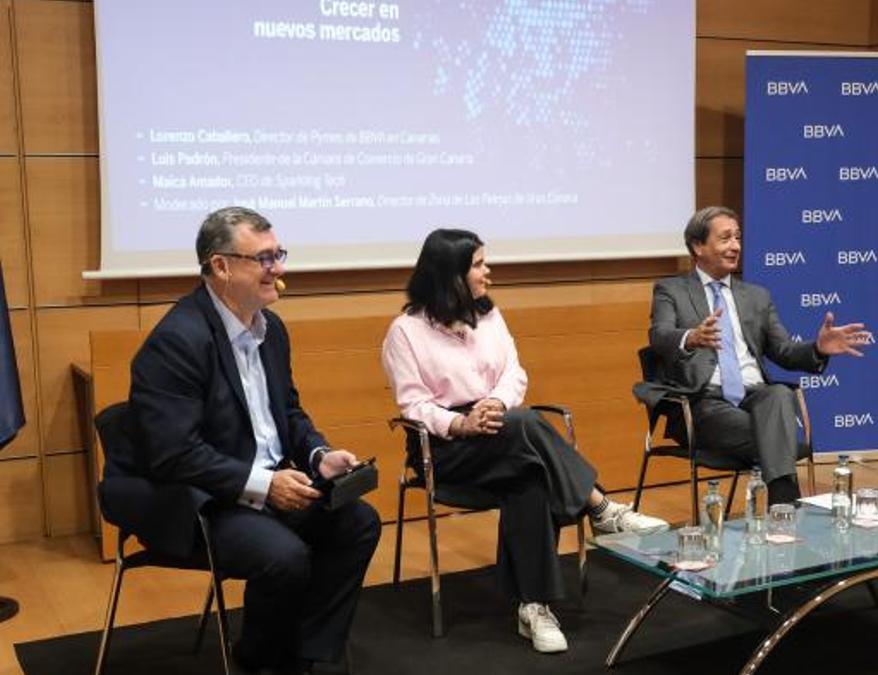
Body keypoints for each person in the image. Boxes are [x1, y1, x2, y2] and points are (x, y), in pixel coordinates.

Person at [381, 228, 668, 655]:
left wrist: (494, 404)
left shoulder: (490, 316)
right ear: (449, 274)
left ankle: (534, 606)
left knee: (531, 474)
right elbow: (413, 405)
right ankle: (601, 507)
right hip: (444, 446)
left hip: (503, 428)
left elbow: (515, 374)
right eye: (478, 265)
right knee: (527, 428)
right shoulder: (405, 331)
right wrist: (462, 424)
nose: (488, 272)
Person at [128, 207, 381, 674]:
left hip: (270, 482)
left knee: (358, 522)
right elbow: (173, 453)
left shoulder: (271, 330)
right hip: (208, 498)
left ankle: (309, 654)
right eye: (264, 259)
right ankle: (261, 661)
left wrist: (319, 455)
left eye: (278, 255)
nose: (279, 269)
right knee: (284, 557)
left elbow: (288, 413)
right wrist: (265, 485)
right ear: (221, 267)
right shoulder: (177, 341)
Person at [646, 206, 872, 506]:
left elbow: (784, 352)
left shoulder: (756, 296)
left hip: (757, 398)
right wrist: (691, 337)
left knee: (779, 393)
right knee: (782, 438)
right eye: (725, 238)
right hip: (703, 402)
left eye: (738, 237)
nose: (736, 246)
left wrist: (817, 348)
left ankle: (781, 511)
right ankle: (786, 507)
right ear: (698, 246)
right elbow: (659, 335)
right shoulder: (671, 290)